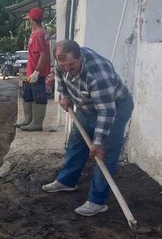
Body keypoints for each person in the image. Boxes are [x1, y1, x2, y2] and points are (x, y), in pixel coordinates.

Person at [42, 40, 133, 217]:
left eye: (71, 65)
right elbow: (59, 74)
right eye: (63, 65)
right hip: (86, 106)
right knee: (76, 144)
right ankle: (67, 181)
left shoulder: (98, 75)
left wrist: (98, 143)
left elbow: (106, 112)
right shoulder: (63, 61)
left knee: (103, 154)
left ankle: (97, 201)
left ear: (80, 57)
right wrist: (65, 94)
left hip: (114, 109)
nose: (67, 69)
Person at [15, 7, 51, 131]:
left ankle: (37, 123)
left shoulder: (39, 34)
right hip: (32, 72)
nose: (28, 19)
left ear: (32, 19)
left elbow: (44, 55)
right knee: (28, 95)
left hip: (37, 72)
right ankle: (28, 120)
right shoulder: (37, 32)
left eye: (29, 17)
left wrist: (37, 72)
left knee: (39, 96)